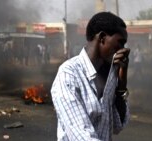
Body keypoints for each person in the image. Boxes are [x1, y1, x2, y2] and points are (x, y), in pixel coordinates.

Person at [51, 12, 130, 141]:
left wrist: (121, 84)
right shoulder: (69, 74)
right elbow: (81, 135)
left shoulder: (111, 74)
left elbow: (118, 125)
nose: (124, 50)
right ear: (103, 38)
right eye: (120, 43)